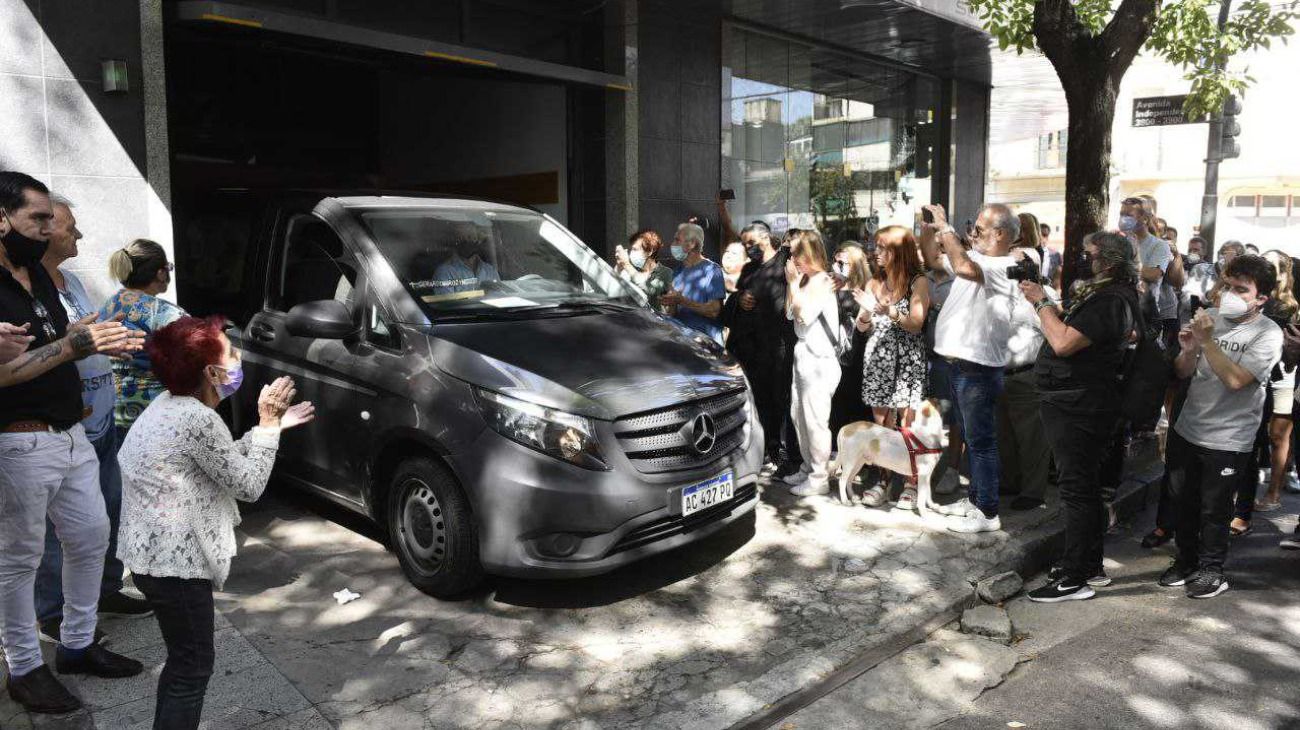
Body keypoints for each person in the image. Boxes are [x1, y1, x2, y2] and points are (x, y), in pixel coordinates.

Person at [117, 316, 315, 729]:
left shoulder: (170, 405)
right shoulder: (197, 418)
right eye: (231, 353)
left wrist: (274, 428)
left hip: (153, 559)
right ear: (211, 372)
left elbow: (217, 461)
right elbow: (248, 485)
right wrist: (267, 424)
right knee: (191, 669)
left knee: (183, 663)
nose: (239, 357)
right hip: (174, 567)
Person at [0, 171, 146, 714]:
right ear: (1, 218)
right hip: (19, 444)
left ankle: (78, 646)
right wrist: (74, 344)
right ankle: (24, 667)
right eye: (37, 218)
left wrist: (100, 339)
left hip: (72, 435)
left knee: (90, 539)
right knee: (19, 560)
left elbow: (60, 341)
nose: (46, 230)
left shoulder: (35, 275)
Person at [34, 195, 153, 645]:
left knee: (107, 510)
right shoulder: (26, 289)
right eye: (69, 226)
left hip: (102, 419)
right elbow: (49, 347)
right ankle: (51, 611)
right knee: (53, 528)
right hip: (61, 427)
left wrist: (113, 339)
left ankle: (105, 588)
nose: (77, 234)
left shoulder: (73, 280)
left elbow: (86, 337)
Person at [1022, 231, 1138, 602]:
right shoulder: (1108, 295)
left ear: (1106, 260)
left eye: (1087, 254)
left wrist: (1041, 304)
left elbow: (1063, 342)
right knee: (1083, 488)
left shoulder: (1110, 300)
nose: (1081, 259)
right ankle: (1089, 565)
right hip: (1078, 400)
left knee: (1077, 490)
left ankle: (1075, 578)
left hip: (1079, 404)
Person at [1163, 254, 1282, 599]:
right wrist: (1188, 350)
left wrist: (1208, 341)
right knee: (1181, 500)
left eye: (1241, 289)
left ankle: (1211, 569)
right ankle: (1185, 560)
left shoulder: (1267, 334)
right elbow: (1184, 372)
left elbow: (1235, 380)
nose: (1230, 293)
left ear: (1262, 298)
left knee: (1214, 508)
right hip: (1189, 427)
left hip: (1229, 437)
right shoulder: (1211, 318)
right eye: (1228, 285)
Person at [919, 202, 1020, 534]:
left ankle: (988, 513)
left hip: (978, 368)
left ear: (1001, 234)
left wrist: (946, 228)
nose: (972, 233)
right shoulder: (978, 259)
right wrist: (930, 228)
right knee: (973, 440)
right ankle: (976, 500)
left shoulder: (1004, 265)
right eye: (971, 227)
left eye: (979, 228)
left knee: (981, 442)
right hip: (961, 365)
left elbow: (960, 265)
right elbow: (935, 257)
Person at [852, 226, 930, 507]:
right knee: (881, 424)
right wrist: (864, 314)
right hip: (878, 361)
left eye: (883, 247)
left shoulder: (917, 282)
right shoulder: (875, 282)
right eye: (876, 246)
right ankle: (883, 480)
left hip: (907, 362)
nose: (877, 252)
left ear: (900, 251)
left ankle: (910, 482)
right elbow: (863, 328)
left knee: (907, 424)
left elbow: (916, 324)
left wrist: (890, 311)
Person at [721, 219, 802, 476]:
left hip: (779, 346)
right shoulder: (748, 270)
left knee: (783, 403)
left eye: (751, 243)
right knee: (761, 403)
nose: (748, 248)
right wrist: (739, 299)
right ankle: (768, 450)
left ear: (765, 239)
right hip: (752, 350)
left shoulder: (786, 263)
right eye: (745, 245)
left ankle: (790, 456)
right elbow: (732, 304)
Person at [1228, 249, 1298, 533]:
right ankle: (1233, 504)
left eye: (1271, 265)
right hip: (1244, 377)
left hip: (1279, 378)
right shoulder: (1237, 302)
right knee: (1248, 442)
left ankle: (1269, 494)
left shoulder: (1287, 306)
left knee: (1274, 436)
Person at [100, 238, 188, 440]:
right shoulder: (163, 312)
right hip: (153, 419)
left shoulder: (109, 305)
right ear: (160, 272)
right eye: (169, 268)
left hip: (111, 416)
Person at [782, 230, 842, 497]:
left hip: (819, 358)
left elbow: (803, 316)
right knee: (799, 414)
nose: (792, 258)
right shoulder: (804, 280)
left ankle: (819, 475)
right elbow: (788, 312)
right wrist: (793, 284)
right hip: (803, 353)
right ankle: (808, 468)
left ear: (809, 254)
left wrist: (794, 285)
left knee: (815, 419)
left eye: (796, 253)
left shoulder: (822, 281)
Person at [999, 246, 1058, 511]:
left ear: (1033, 266)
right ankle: (1010, 481)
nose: (1011, 269)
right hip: (999, 373)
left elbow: (1055, 333)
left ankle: (1033, 492)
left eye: (1018, 264)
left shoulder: (1045, 294)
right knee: (1005, 434)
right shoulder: (1000, 293)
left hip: (1028, 373)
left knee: (1032, 436)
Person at [829, 242, 872, 437]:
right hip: (833, 351)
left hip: (860, 351)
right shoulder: (828, 287)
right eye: (836, 261)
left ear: (856, 265)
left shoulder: (867, 287)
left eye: (844, 262)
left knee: (858, 400)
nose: (838, 265)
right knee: (836, 400)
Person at [661, 222, 725, 343]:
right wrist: (671, 302)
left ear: (692, 244)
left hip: (705, 344)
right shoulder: (677, 271)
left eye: (677, 240)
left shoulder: (711, 270)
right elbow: (673, 312)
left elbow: (714, 311)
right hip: (683, 341)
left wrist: (682, 300)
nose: (672, 245)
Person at [614, 229, 674, 314]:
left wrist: (626, 264)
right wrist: (619, 266)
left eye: (635, 249)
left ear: (650, 251)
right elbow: (615, 289)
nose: (631, 253)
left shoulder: (665, 273)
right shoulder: (632, 271)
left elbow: (649, 289)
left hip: (652, 324)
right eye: (631, 249)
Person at [432, 223, 500, 295]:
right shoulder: (445, 272)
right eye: (462, 238)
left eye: (471, 237)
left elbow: (500, 298)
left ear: (478, 241)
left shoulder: (489, 270)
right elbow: (446, 303)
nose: (468, 241)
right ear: (456, 241)